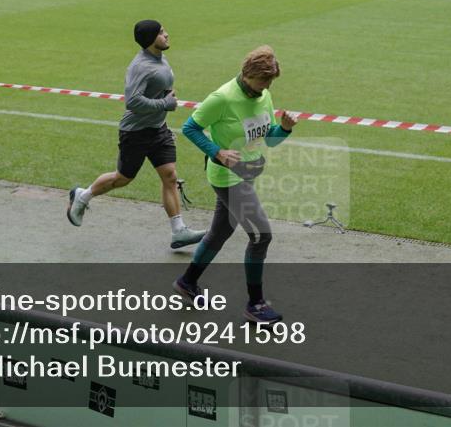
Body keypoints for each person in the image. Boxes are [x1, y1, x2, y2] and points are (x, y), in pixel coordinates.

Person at [173, 45, 297, 323]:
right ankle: (255, 305)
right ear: (248, 74)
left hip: (247, 173)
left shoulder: (263, 95)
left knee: (219, 234)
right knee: (261, 236)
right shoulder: (222, 98)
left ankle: (187, 282)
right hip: (227, 177)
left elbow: (269, 138)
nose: (267, 86)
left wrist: (285, 129)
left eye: (271, 81)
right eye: (264, 80)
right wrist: (216, 151)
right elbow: (190, 128)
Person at [67, 20, 205, 250]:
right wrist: (165, 103)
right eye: (161, 32)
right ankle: (82, 196)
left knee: (169, 176)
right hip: (135, 133)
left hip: (158, 129)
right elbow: (132, 101)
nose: (166, 35)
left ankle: (178, 231)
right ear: (151, 39)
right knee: (122, 178)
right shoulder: (141, 66)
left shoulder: (159, 58)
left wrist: (165, 103)